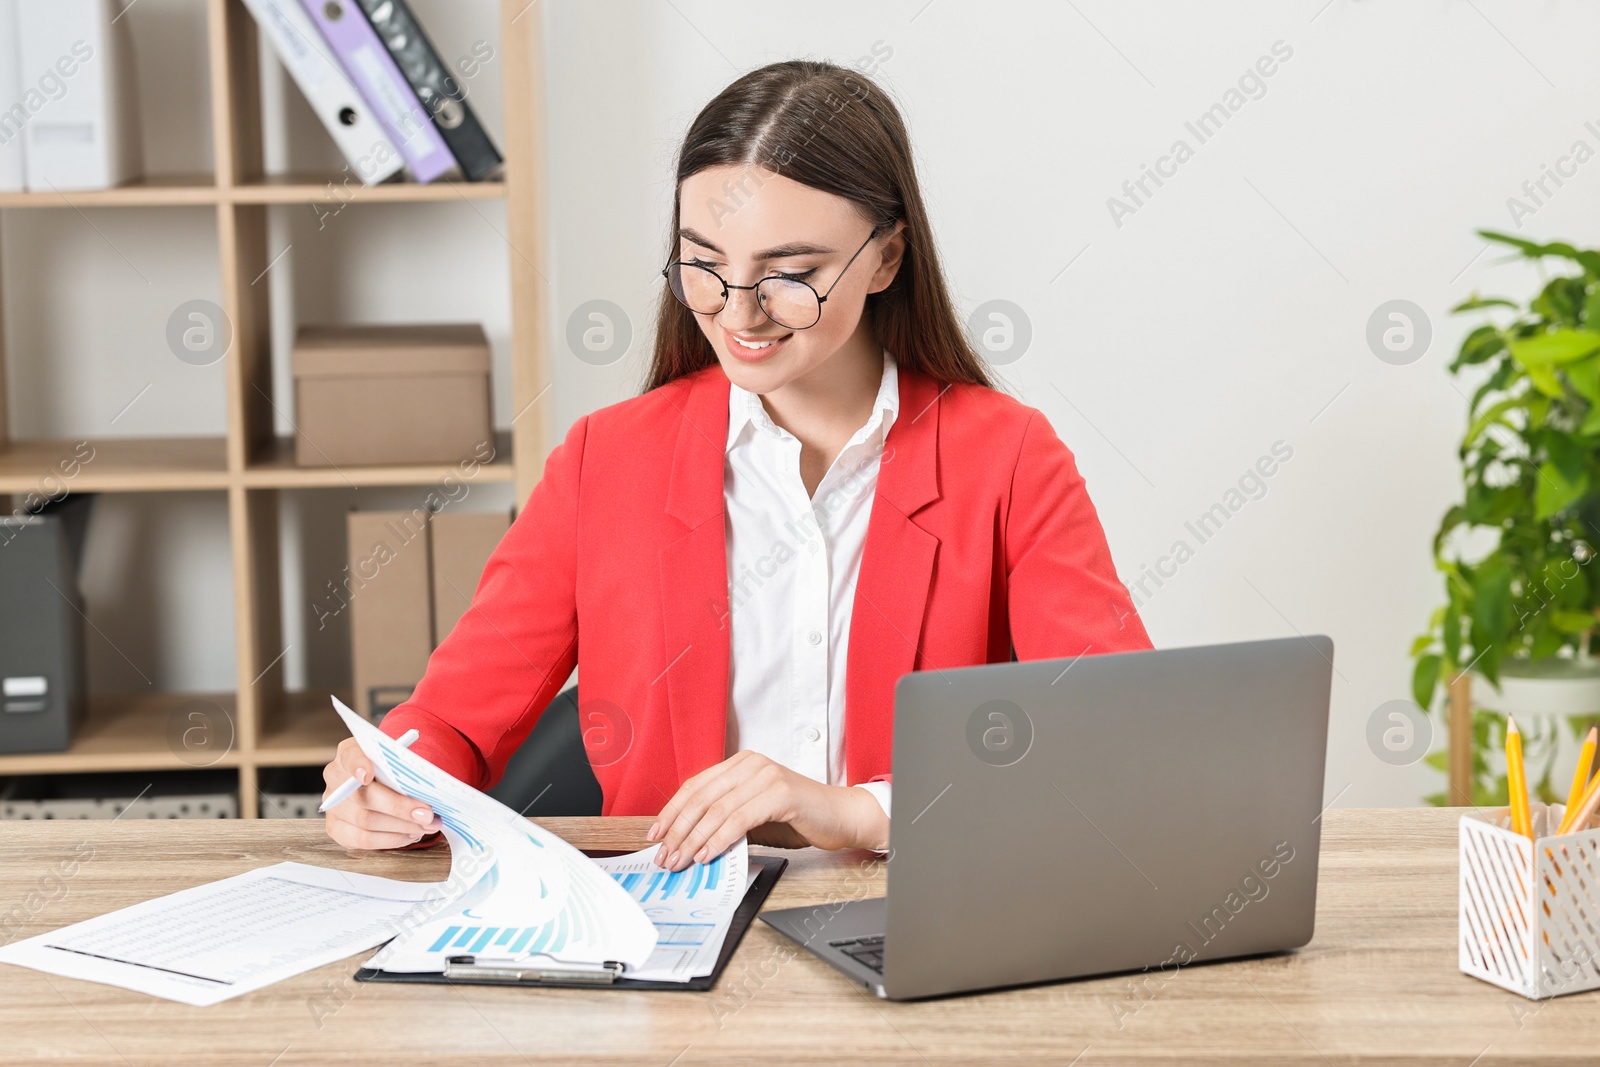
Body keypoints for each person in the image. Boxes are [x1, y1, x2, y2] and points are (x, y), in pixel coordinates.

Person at [321, 59, 1152, 871]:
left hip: (920, 919)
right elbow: (451, 724)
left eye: (792, 275)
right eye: (706, 265)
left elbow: (1117, 734)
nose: (740, 314)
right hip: (666, 932)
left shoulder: (1007, 458)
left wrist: (855, 811)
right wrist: (382, 777)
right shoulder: (603, 461)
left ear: (888, 257)